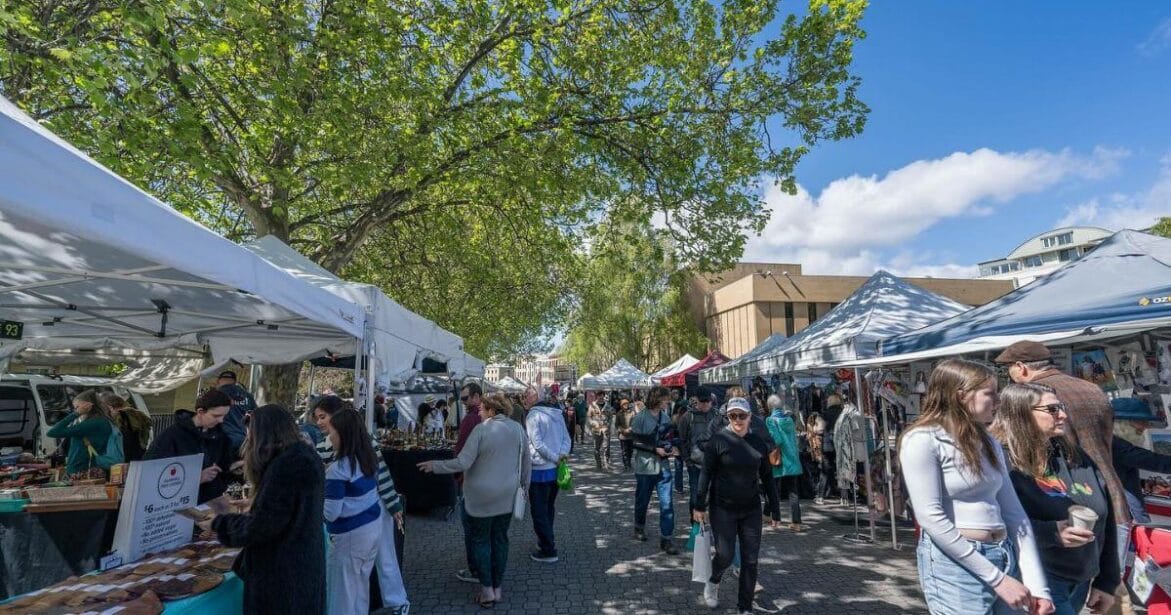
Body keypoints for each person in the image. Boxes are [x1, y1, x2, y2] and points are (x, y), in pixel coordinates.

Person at [899, 358, 1053, 615]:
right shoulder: (923, 439)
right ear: (961, 396)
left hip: (1003, 554)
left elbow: (1015, 514)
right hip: (956, 567)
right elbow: (930, 518)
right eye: (990, 393)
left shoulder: (988, 441)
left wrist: (1038, 587)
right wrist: (997, 579)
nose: (998, 400)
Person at [992, 383, 1119, 615]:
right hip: (1037, 579)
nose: (1063, 415)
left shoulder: (1073, 456)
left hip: (1081, 580)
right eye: (1051, 410)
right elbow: (996, 523)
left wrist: (1107, 581)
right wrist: (1051, 533)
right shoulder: (1003, 462)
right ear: (1021, 413)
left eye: (1060, 407)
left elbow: (1105, 519)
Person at [204, 405, 326, 614]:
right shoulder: (305, 456)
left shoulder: (285, 466)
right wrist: (257, 501)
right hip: (300, 568)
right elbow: (292, 508)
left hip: (282, 578)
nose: (248, 438)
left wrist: (219, 522)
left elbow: (261, 526)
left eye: (251, 433)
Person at [995, 341, 1129, 526]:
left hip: (1068, 508)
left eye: (1008, 368)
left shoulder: (1037, 396)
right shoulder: (1092, 388)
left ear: (1021, 367)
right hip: (1109, 495)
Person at [419, 393, 531, 608]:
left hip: (480, 497)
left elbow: (462, 462)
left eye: (482, 409)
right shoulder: (518, 429)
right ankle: (497, 588)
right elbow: (527, 464)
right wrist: (525, 490)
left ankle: (487, 590)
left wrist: (436, 466)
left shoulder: (482, 430)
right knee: (500, 539)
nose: (479, 412)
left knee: (480, 541)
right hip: (507, 496)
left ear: (491, 410)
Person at [312, 396, 409, 614]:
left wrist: (393, 505)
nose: (319, 422)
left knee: (383, 559)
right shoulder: (323, 446)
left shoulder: (363, 442)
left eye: (323, 417)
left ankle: (398, 602)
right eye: (317, 418)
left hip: (367, 510)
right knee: (359, 576)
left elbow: (381, 473)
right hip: (355, 514)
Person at [693, 397, 781, 614]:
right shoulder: (718, 441)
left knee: (750, 560)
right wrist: (698, 505)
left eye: (742, 415)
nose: (738, 420)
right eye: (733, 416)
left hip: (751, 508)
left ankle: (745, 607)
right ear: (728, 417)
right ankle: (713, 581)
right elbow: (705, 474)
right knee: (725, 553)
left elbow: (768, 479)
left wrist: (775, 508)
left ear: (750, 417)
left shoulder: (758, 443)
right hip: (722, 507)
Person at [319, 409, 382, 615]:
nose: (329, 436)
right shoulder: (368, 458)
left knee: (341, 596)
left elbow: (330, 514)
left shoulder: (338, 470)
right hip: (371, 529)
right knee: (360, 590)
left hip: (349, 537)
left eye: (332, 432)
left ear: (342, 435)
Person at [146, 389, 236, 504]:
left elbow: (225, 466)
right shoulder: (172, 436)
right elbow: (153, 472)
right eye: (216, 416)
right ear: (200, 411)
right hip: (178, 504)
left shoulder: (221, 436)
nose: (221, 420)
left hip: (210, 501)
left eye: (224, 416)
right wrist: (196, 478)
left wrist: (235, 467)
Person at [524, 386, 572, 563]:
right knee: (549, 507)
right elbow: (567, 439)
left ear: (536, 397)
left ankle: (548, 549)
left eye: (527, 396)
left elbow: (537, 444)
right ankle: (546, 540)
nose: (524, 400)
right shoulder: (557, 414)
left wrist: (555, 457)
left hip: (539, 469)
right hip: (555, 469)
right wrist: (560, 456)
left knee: (538, 511)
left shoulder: (533, 416)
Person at [631, 386, 680, 555]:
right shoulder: (640, 418)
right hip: (645, 467)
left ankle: (666, 539)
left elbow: (668, 439)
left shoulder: (665, 417)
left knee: (667, 504)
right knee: (642, 500)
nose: (669, 402)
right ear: (658, 399)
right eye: (666, 399)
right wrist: (654, 450)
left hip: (664, 467)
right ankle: (639, 527)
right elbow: (635, 442)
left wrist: (672, 448)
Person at [454, 382, 486, 583]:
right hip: (490, 481)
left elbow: (461, 452)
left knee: (472, 529)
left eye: (465, 398)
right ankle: (486, 569)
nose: (463, 402)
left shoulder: (471, 419)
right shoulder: (490, 419)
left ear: (476, 397)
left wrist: (458, 475)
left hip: (472, 480)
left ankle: (476, 570)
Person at [46, 389, 116, 475]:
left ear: (87, 405)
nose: (76, 410)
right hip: (90, 467)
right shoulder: (101, 420)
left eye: (77, 407)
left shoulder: (93, 423)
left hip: (82, 469)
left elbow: (53, 432)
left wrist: (76, 414)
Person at [765, 393, 804, 531]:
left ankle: (773, 517)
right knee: (793, 492)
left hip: (779, 461)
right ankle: (797, 522)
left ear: (770, 406)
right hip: (792, 460)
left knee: (773, 489)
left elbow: (777, 440)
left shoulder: (770, 420)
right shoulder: (789, 420)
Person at [1112, 432, 1171, 523]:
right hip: (1125, 517)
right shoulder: (1113, 445)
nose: (1145, 427)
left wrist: (1143, 483)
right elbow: (1150, 460)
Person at [677, 386, 717, 516]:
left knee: (716, 497)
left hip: (715, 464)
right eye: (703, 401)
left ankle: (714, 528)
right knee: (696, 497)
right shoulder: (687, 417)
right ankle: (696, 526)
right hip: (695, 465)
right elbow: (682, 441)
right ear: (696, 401)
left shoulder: (717, 416)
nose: (706, 404)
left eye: (708, 401)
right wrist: (688, 461)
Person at [99, 392, 151, 462]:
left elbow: (125, 441)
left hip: (126, 459)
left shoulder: (122, 418)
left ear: (110, 407)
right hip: (140, 455)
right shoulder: (137, 415)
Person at [216, 370, 257, 454]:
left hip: (223, 441)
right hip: (245, 441)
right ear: (235, 381)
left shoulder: (215, 395)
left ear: (218, 381)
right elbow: (256, 416)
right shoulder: (247, 396)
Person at [805, 411, 830, 505]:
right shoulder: (820, 434)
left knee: (819, 474)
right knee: (823, 474)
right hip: (821, 454)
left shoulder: (810, 430)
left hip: (815, 455)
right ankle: (820, 495)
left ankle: (819, 494)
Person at [588, 396, 610, 470]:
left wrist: (608, 424)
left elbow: (611, 417)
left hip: (605, 430)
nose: (601, 398)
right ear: (597, 398)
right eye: (599, 397)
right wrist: (593, 423)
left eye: (602, 397)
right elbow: (589, 417)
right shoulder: (592, 406)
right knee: (596, 448)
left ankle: (606, 464)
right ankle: (598, 464)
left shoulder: (608, 406)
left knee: (606, 447)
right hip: (596, 430)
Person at [615, 399, 636, 471]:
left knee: (630, 450)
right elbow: (617, 425)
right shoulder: (619, 413)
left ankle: (629, 463)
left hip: (631, 434)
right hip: (623, 435)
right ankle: (626, 465)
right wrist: (623, 430)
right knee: (624, 451)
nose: (626, 405)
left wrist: (630, 429)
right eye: (624, 404)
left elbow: (635, 423)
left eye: (627, 404)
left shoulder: (632, 413)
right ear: (621, 405)